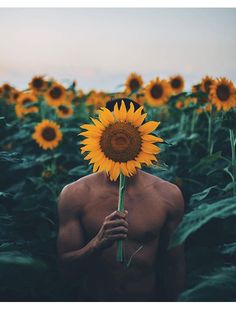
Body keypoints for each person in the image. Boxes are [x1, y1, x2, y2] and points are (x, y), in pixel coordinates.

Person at [57, 98, 185, 301]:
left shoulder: (167, 196)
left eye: (127, 133)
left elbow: (174, 265)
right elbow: (64, 270)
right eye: (113, 132)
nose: (120, 139)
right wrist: (97, 243)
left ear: (144, 134)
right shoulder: (75, 195)